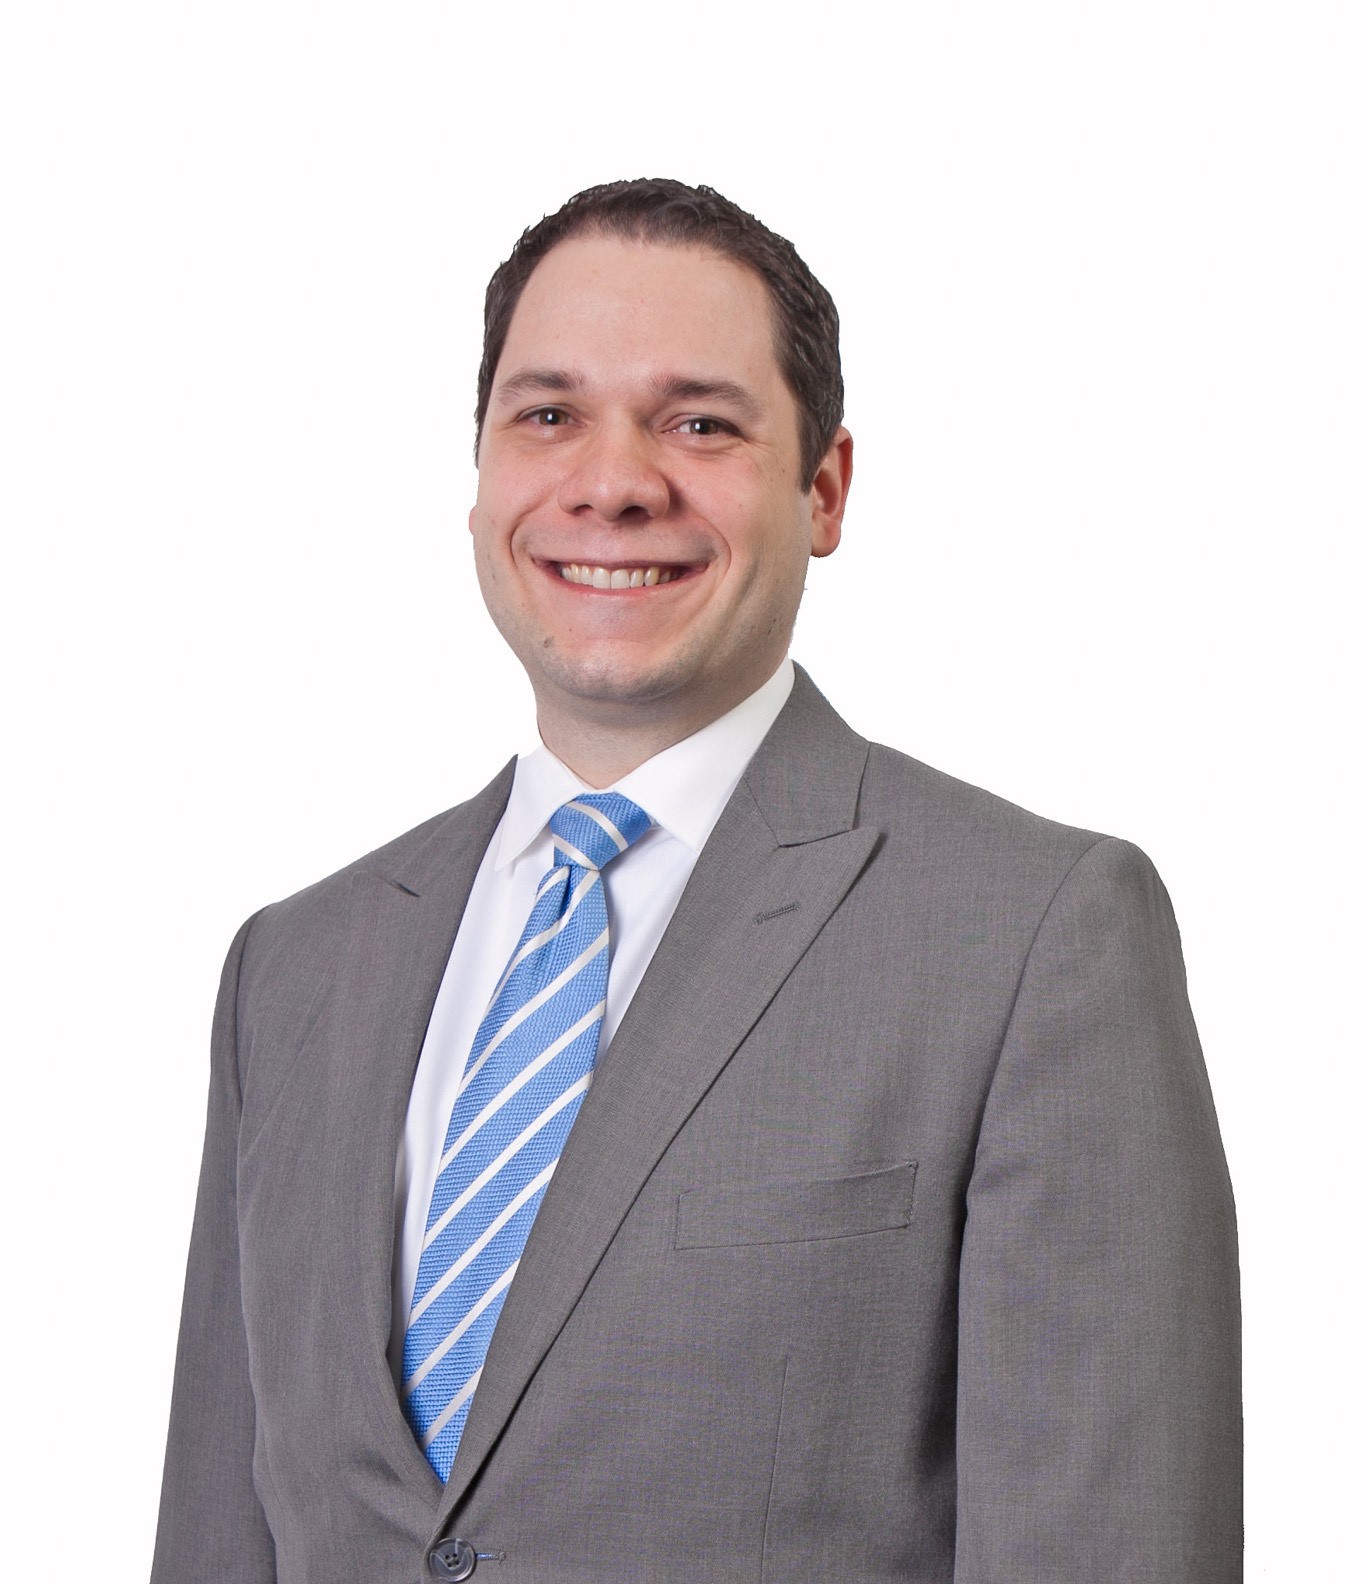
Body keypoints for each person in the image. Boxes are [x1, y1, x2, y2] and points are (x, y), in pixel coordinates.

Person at [151, 178, 1242, 1583]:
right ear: (480, 473)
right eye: (546, 414)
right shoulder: (293, 968)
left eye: (699, 422)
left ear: (826, 488)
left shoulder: (1036, 938)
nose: (611, 481)